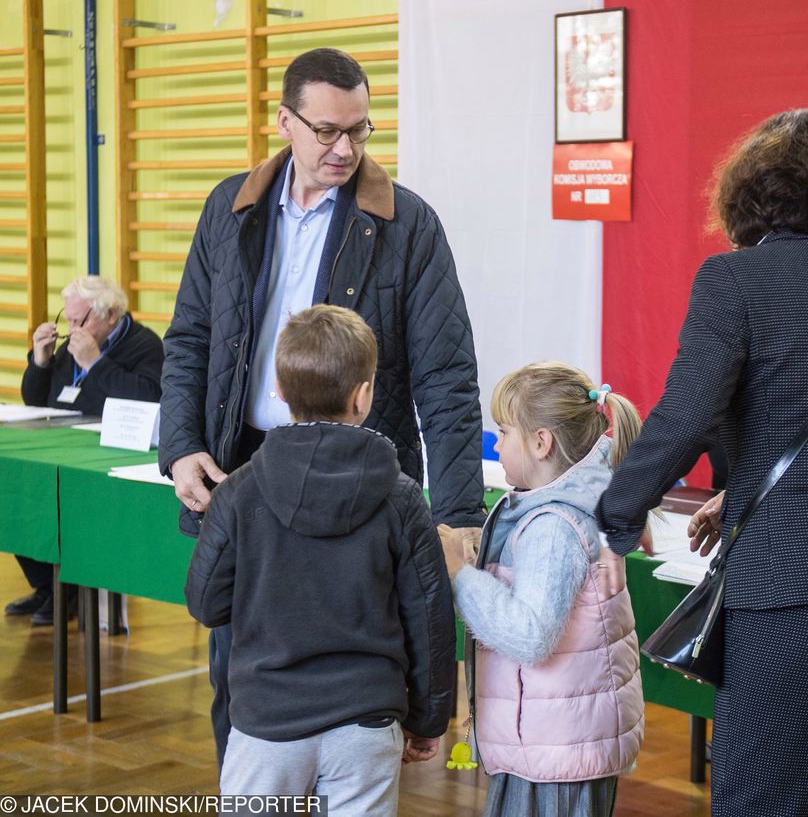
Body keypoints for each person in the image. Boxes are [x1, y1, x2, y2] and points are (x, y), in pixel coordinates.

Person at [594, 108, 808, 816]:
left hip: (797, 591)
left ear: (749, 194)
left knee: (759, 804)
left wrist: (607, 520)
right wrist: (744, 492)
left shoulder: (733, 281)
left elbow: (683, 418)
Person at [159, 47, 486, 766]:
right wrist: (181, 445)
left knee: (358, 679)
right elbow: (187, 339)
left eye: (360, 131)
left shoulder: (408, 225)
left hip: (363, 476)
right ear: (285, 122)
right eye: (327, 131)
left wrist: (458, 514)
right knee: (237, 675)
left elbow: (448, 378)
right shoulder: (229, 206)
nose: (345, 149)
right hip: (248, 469)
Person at [184, 305, 455, 812]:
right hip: (367, 725)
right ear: (364, 394)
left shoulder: (238, 493)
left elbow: (205, 603)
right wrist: (429, 718)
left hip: (266, 723)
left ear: (280, 392)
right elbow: (431, 619)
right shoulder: (402, 499)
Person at [438, 362, 644, 817]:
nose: (498, 444)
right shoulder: (579, 503)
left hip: (553, 755)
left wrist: (460, 575)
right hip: (555, 742)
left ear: (541, 442)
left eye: (504, 432)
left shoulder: (553, 526)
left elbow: (530, 634)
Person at [8, 275, 163, 626]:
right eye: (69, 319)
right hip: (58, 442)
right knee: (20, 495)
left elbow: (148, 397)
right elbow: (36, 399)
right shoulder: (74, 342)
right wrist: (41, 362)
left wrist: (96, 364)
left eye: (81, 320)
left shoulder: (145, 345)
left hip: (111, 451)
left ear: (111, 314)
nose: (73, 328)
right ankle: (46, 586)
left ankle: (70, 592)